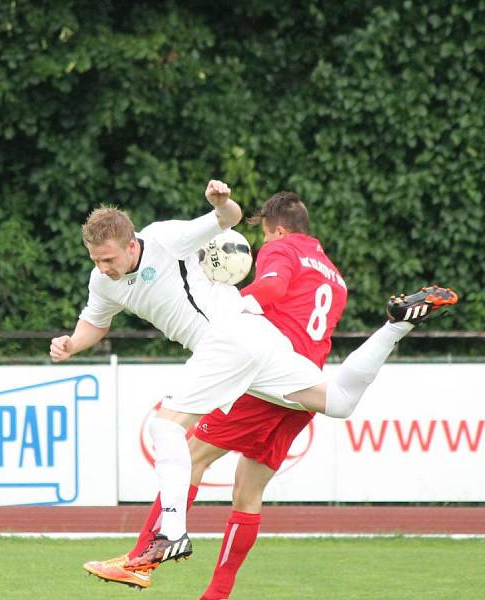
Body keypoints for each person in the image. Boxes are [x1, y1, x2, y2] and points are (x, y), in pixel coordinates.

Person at [50, 181, 457, 575]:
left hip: (226, 337)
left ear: (132, 243)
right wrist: (72, 343)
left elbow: (226, 218)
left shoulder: (165, 238)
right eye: (96, 260)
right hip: (259, 338)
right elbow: (95, 322)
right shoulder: (103, 280)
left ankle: (171, 533)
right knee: (338, 401)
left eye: (108, 259)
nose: (102, 268)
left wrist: (221, 201)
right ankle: (396, 326)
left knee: (164, 426)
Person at [83, 191, 348, 597]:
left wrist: (233, 310)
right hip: (299, 377)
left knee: (186, 456)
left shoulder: (282, 251)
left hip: (254, 372)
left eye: (263, 234)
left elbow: (272, 291)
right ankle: (216, 594)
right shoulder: (332, 272)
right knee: (249, 489)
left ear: (276, 229)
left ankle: (143, 557)